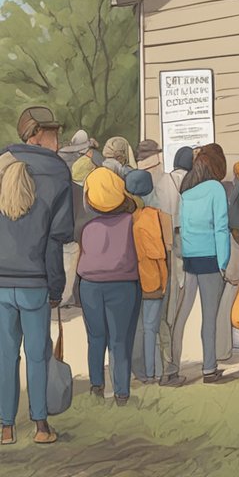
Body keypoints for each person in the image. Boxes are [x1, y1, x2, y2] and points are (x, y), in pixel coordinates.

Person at [0, 106, 74, 445]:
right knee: (38, 353)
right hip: (35, 279)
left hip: (1, 281)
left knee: (5, 354)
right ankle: (41, 426)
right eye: (53, 132)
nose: (58, 139)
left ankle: (5, 427)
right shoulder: (58, 172)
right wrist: (56, 286)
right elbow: (56, 239)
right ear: (36, 135)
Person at [164, 144, 230, 386]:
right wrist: (223, 261)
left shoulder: (187, 190)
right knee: (209, 316)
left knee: (181, 315)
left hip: (191, 258)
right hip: (212, 258)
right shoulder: (216, 189)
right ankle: (209, 367)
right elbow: (221, 227)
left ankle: (172, 366)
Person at [78, 167, 142, 404]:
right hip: (123, 285)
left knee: (95, 338)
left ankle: (96, 386)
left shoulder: (87, 228)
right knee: (120, 340)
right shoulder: (131, 222)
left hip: (90, 286)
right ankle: (122, 393)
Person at [126, 170, 169, 384]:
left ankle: (141, 371)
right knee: (151, 328)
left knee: (138, 327)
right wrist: (164, 280)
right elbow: (158, 253)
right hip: (151, 280)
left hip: (130, 281)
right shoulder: (151, 217)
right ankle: (152, 372)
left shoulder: (126, 217)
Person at [157, 146, 194, 384]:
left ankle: (166, 364)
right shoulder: (192, 182)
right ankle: (171, 368)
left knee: (165, 313)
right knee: (176, 312)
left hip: (163, 247)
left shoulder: (164, 181)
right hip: (183, 249)